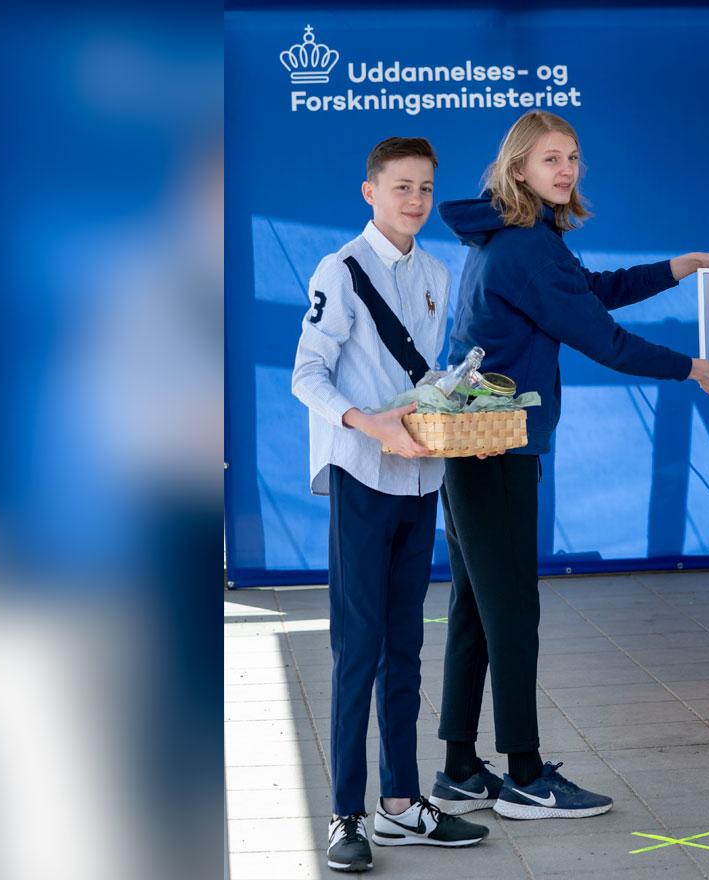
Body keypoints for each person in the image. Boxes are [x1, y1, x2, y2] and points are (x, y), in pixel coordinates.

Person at [429, 110, 709, 820]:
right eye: (550, 159)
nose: (566, 170)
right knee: (510, 613)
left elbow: (592, 293)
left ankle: (457, 770)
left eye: (572, 157)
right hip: (497, 448)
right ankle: (524, 774)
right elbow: (604, 339)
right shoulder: (525, 249)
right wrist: (696, 369)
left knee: (479, 612)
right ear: (518, 169)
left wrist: (685, 264)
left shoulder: (517, 238)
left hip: (477, 448)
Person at [292, 136, 489, 873]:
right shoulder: (338, 271)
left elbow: (432, 379)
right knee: (359, 647)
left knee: (406, 644)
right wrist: (367, 422)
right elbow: (307, 374)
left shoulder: (437, 273)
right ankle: (347, 812)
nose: (415, 200)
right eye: (401, 186)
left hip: (421, 481)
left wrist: (465, 424)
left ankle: (402, 803)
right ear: (370, 191)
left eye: (426, 189)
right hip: (362, 478)